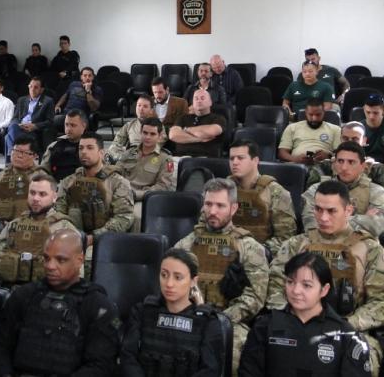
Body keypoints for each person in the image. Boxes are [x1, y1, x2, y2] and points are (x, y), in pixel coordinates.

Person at [267, 180, 384, 376]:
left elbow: (382, 303)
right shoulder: (296, 245)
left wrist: (346, 324)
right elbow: (275, 287)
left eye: (331, 211)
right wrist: (295, 318)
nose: (323, 217)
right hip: (296, 324)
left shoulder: (371, 250)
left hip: (349, 329)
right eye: (318, 209)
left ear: (348, 210)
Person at [0, 228, 120, 376]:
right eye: (46, 258)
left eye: (60, 260)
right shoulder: (23, 295)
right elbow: (0, 348)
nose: (50, 266)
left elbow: (100, 366)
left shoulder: (98, 306)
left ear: (80, 260)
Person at [174, 178, 269, 373]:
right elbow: (171, 283)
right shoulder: (186, 244)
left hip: (229, 321)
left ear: (233, 209)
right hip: (189, 316)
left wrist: (220, 319)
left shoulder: (249, 247)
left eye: (220, 205)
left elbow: (256, 296)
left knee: (234, 358)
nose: (213, 211)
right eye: (208, 204)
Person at [240, 252, 371, 377]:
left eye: (306, 285)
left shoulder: (347, 336)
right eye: (290, 282)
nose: (296, 291)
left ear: (324, 290)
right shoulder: (264, 327)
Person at [120, 248, 225, 377]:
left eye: (178, 277)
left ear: (193, 281)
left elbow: (210, 371)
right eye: (164, 275)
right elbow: (128, 358)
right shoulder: (142, 311)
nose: (169, 284)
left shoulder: (207, 321)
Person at [56, 132, 134, 275]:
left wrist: (94, 237)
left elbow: (124, 218)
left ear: (101, 152)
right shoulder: (69, 182)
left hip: (104, 239)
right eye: (81, 148)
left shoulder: (117, 182)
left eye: (90, 148)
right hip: (72, 237)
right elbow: (58, 213)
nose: (84, 152)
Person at [0, 174, 78, 285]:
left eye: (42, 194)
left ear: (54, 197)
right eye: (32, 193)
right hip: (11, 288)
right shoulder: (14, 225)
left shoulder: (64, 228)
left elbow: (75, 269)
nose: (35, 198)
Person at [300, 142, 384, 239]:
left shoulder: (377, 193)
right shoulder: (316, 190)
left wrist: (328, 222)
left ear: (363, 166)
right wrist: (362, 219)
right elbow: (311, 226)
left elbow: (374, 227)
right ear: (334, 164)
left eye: (351, 162)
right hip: (321, 247)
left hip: (360, 248)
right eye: (340, 161)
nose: (344, 167)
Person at [228, 139, 296, 257]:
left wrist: (259, 251)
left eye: (240, 158)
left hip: (262, 256)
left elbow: (285, 236)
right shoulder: (223, 189)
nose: (235, 162)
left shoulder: (275, 192)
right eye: (231, 158)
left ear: (255, 161)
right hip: (226, 251)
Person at [305, 122, 384, 203]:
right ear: (340, 139)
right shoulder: (324, 167)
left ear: (364, 141)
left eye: (355, 139)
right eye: (345, 138)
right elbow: (311, 196)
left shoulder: (378, 170)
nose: (349, 142)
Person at [109, 118, 176, 230]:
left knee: (136, 217)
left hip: (143, 199)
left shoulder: (165, 160)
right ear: (140, 133)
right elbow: (116, 171)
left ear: (159, 136)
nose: (148, 137)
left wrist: (137, 194)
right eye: (145, 133)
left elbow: (162, 187)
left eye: (152, 134)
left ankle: (134, 246)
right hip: (121, 195)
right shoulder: (129, 153)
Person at [0, 135, 46, 227]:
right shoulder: (0, 175)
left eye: (23, 152)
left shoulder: (41, 177)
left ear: (34, 156)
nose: (19, 156)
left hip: (27, 226)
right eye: (16, 151)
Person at [4, 76, 54, 159]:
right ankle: (13, 153)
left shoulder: (48, 101)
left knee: (7, 137)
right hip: (19, 128)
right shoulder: (22, 100)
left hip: (33, 131)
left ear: (41, 90)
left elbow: (50, 121)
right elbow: (15, 118)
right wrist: (19, 124)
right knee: (13, 126)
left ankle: (11, 158)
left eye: (36, 87)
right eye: (30, 86)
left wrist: (35, 126)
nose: (32, 89)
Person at [277, 98, 341, 164]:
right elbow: (282, 153)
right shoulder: (292, 128)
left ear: (323, 113)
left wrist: (329, 156)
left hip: (324, 165)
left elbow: (342, 154)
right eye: (311, 114)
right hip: (296, 165)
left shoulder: (335, 129)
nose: (314, 118)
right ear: (306, 113)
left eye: (318, 115)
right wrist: (295, 159)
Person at [169, 89, 226, 158]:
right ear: (192, 103)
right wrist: (199, 139)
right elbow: (173, 135)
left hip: (204, 158)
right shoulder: (183, 118)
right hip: (179, 158)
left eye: (202, 98)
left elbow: (212, 132)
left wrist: (186, 129)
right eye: (196, 99)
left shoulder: (218, 118)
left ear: (210, 102)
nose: (199, 101)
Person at [40, 109, 88, 181]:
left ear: (83, 126)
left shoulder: (91, 147)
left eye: (73, 125)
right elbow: (43, 171)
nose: (68, 129)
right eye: (66, 124)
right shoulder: (54, 146)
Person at [106, 94, 156, 163]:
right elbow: (116, 143)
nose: (141, 109)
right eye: (139, 105)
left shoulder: (158, 127)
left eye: (145, 106)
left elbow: (158, 146)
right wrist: (120, 155)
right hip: (129, 158)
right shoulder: (129, 125)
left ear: (151, 110)